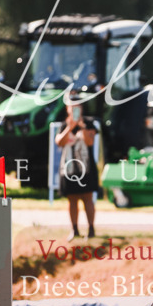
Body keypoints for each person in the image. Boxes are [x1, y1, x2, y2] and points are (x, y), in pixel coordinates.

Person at [56, 102, 99, 240]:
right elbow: (59, 142)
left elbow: (90, 142)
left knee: (88, 198)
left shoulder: (89, 123)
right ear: (67, 109)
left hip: (85, 168)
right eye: (72, 106)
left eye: (78, 106)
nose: (75, 109)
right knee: (72, 199)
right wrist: (70, 127)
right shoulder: (64, 125)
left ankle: (91, 229)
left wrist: (82, 127)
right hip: (69, 168)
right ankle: (74, 229)